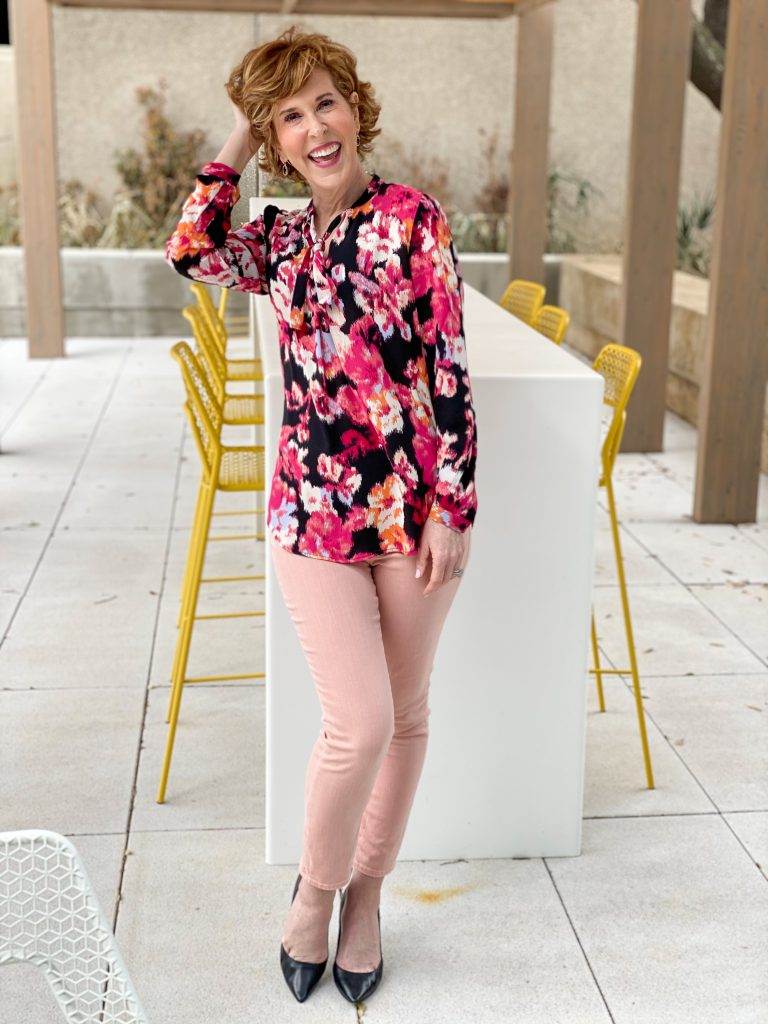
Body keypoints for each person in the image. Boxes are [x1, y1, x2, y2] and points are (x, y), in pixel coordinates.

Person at [164, 24, 478, 1005]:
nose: (315, 127)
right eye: (290, 115)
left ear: (356, 103)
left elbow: (448, 374)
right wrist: (241, 137)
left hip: (409, 511)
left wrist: (451, 506)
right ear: (277, 137)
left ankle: (368, 900)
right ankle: (315, 889)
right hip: (311, 508)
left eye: (325, 102)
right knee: (363, 720)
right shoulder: (280, 237)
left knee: (408, 718)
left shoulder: (410, 218)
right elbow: (190, 248)